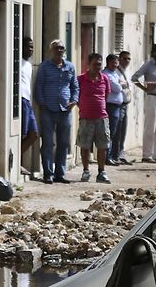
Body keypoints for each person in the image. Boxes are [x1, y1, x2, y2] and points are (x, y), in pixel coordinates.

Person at [33, 39, 79, 184]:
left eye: (62, 48)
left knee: (63, 143)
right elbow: (38, 86)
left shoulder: (70, 67)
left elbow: (75, 86)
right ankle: (48, 173)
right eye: (57, 48)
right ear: (51, 50)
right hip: (48, 109)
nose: (60, 50)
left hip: (65, 110)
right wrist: (42, 104)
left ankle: (60, 173)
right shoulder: (44, 66)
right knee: (47, 142)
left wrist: (74, 100)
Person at [76, 53, 112, 184]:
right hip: (85, 118)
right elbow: (76, 97)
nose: (98, 66)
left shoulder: (105, 79)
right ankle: (86, 170)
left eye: (99, 64)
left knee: (102, 146)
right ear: (89, 64)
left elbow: (106, 95)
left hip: (102, 117)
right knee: (85, 145)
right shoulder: (80, 80)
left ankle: (101, 172)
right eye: (95, 64)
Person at [132, 43, 156, 163]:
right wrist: (145, 89)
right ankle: (146, 155)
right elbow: (134, 78)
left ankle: (155, 154)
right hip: (151, 98)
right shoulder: (148, 65)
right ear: (152, 52)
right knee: (150, 127)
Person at [102, 54, 125, 166]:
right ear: (108, 63)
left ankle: (111, 155)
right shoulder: (106, 74)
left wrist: (121, 84)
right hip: (110, 106)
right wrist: (121, 85)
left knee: (115, 132)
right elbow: (117, 88)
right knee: (110, 132)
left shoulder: (115, 74)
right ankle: (107, 157)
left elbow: (124, 84)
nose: (115, 65)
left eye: (116, 63)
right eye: (113, 63)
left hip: (117, 106)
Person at [20, 37, 38, 167]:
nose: (30, 49)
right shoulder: (17, 62)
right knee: (22, 133)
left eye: (32, 47)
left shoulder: (29, 65)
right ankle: (16, 162)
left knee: (34, 134)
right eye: (27, 46)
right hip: (20, 100)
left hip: (28, 101)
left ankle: (17, 157)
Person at [115, 51, 134, 165]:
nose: (127, 61)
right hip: (118, 104)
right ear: (120, 59)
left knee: (123, 131)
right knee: (117, 131)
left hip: (126, 104)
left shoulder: (127, 72)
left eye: (128, 59)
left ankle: (120, 153)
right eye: (124, 58)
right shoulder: (116, 72)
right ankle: (115, 154)